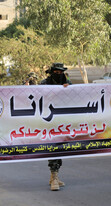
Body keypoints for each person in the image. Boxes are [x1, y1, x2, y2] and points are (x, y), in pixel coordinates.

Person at [40, 63, 70, 191]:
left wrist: (67, 89)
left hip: (62, 121)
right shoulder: (44, 84)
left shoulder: (67, 82)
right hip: (48, 120)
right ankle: (54, 177)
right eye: (56, 72)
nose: (58, 74)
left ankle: (54, 177)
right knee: (53, 149)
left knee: (60, 149)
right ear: (51, 72)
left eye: (60, 72)